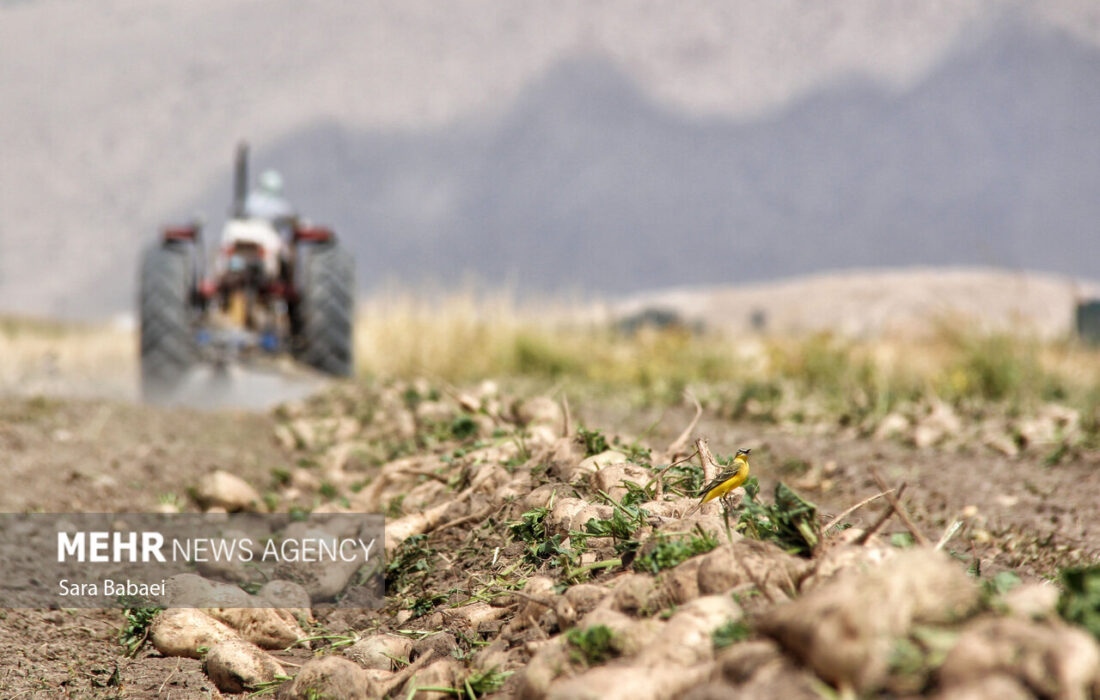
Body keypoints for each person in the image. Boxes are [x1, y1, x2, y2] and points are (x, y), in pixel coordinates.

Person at [243, 169, 297, 236]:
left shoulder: (251, 199)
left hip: (252, 234)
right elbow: (290, 216)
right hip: (269, 237)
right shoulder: (276, 203)